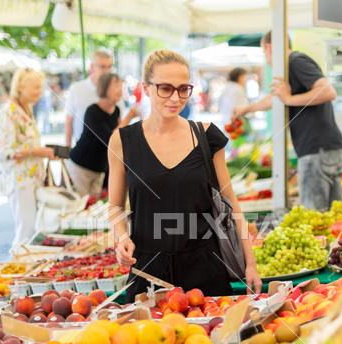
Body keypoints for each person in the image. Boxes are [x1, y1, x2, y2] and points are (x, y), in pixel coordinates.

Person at [108, 50, 261, 303]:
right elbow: (114, 206)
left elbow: (232, 204)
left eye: (183, 89)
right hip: (148, 271)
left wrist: (251, 264)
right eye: (165, 88)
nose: (175, 98)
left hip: (206, 268)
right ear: (146, 88)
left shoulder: (207, 137)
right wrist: (122, 238)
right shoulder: (122, 141)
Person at [234, 31, 342, 211]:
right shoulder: (290, 67)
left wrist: (288, 99)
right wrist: (245, 109)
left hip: (316, 150)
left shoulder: (295, 62)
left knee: (314, 219)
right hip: (329, 148)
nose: (267, 59)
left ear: (269, 48)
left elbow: (328, 91)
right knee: (334, 218)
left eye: (264, 54)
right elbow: (276, 99)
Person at [0, 68, 55, 249]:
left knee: (34, 230)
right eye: (35, 87)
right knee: (25, 231)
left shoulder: (26, 108)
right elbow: (3, 152)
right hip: (19, 180)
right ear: (20, 86)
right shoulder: (8, 112)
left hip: (32, 178)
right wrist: (37, 152)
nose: (40, 92)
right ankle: (16, 270)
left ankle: (28, 271)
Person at [66, 73, 138, 197]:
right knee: (81, 207)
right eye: (116, 86)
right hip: (81, 167)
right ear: (104, 88)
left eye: (121, 86)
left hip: (99, 170)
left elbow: (121, 137)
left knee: (95, 209)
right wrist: (129, 117)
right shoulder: (92, 111)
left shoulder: (116, 111)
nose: (120, 90)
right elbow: (111, 138)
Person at [64, 51, 113, 148]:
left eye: (110, 66)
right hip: (82, 153)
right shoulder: (77, 89)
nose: (107, 71)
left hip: (107, 154)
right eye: (103, 67)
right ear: (92, 67)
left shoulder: (115, 90)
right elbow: (69, 121)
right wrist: (67, 147)